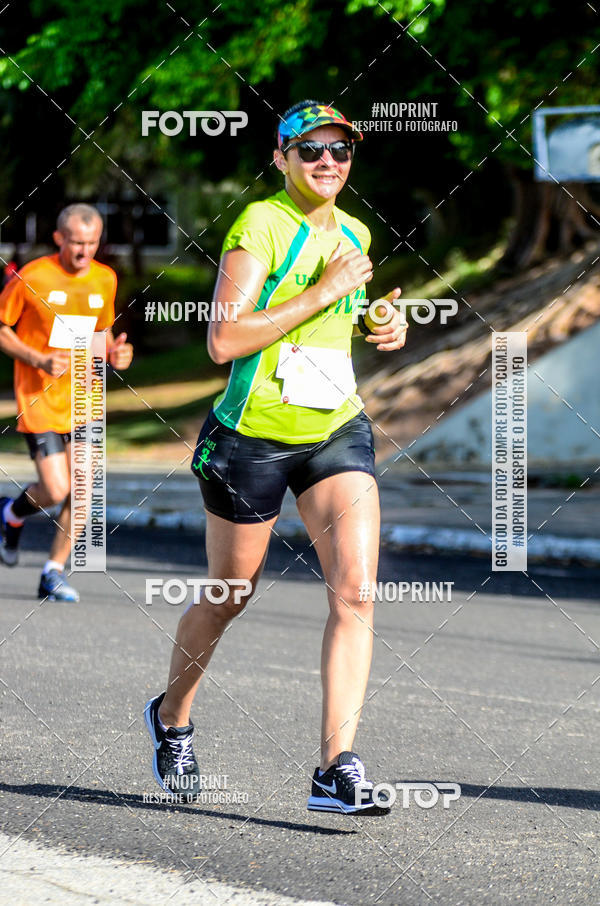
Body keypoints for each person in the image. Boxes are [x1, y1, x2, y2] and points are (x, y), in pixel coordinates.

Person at [144, 101, 408, 813]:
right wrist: (324, 289)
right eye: (311, 150)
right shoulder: (259, 224)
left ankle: (335, 769)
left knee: (355, 592)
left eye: (341, 152)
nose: (328, 162)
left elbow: (338, 320)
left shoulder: (354, 231)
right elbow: (224, 342)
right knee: (232, 593)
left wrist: (381, 319)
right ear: (281, 157)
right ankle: (172, 718)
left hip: (335, 428)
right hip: (251, 435)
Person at [0, 203, 133, 601]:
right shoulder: (33, 276)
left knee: (84, 489)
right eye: (76, 242)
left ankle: (52, 572)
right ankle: (10, 513)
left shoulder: (104, 279)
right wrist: (38, 359)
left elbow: (102, 334)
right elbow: (3, 328)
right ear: (59, 238)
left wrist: (114, 354)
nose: (84, 252)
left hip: (83, 397)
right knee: (55, 489)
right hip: (39, 397)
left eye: (92, 243)